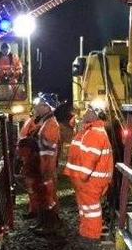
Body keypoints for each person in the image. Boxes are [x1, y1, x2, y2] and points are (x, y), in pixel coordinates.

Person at [64, 103, 114, 240]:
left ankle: (92, 235)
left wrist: (83, 176)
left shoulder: (94, 133)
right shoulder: (90, 130)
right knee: (86, 208)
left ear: (95, 114)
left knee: (91, 209)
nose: (86, 112)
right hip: (86, 180)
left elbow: (90, 157)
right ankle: (86, 232)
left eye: (89, 110)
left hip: (90, 181)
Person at [18, 92, 61, 231]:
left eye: (41, 105)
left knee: (47, 197)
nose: (37, 107)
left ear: (48, 108)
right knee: (43, 196)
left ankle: (49, 225)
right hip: (42, 165)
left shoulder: (51, 124)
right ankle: (43, 223)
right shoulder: (46, 122)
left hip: (46, 166)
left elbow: (48, 147)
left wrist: (33, 143)